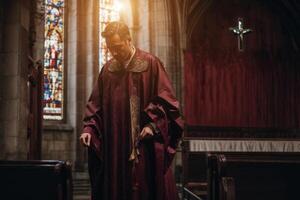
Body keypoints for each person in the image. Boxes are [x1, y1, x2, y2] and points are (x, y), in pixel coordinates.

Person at [79, 21, 183, 200]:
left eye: (118, 47)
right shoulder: (108, 70)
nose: (114, 52)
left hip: (144, 147)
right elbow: (96, 107)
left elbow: (167, 102)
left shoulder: (150, 64)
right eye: (111, 48)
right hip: (115, 149)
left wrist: (153, 125)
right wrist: (89, 129)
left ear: (129, 40)